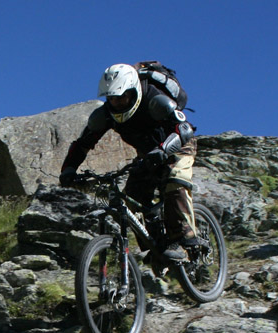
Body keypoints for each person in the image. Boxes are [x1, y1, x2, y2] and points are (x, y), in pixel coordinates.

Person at [59, 63, 197, 261]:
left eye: (121, 97)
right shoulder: (105, 115)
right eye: (111, 99)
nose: (116, 103)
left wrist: (165, 149)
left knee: (175, 181)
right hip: (148, 154)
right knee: (134, 195)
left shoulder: (156, 100)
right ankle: (158, 246)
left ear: (133, 91)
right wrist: (68, 170)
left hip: (178, 144)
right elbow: (82, 144)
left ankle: (184, 240)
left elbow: (183, 129)